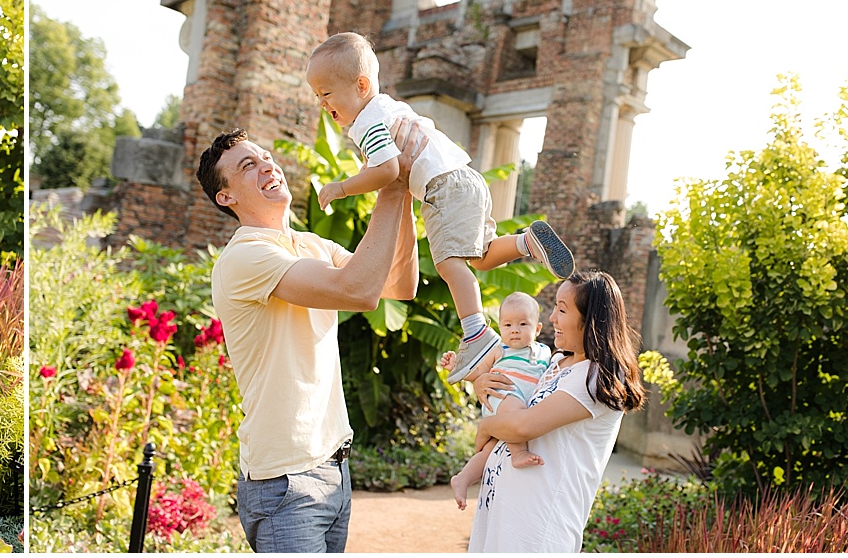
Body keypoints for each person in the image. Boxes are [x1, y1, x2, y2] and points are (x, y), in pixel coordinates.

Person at [198, 122, 426, 553]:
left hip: (334, 468)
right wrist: (390, 186)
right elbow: (355, 291)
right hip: (285, 483)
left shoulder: (309, 243)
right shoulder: (247, 254)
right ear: (225, 197)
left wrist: (405, 192)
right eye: (249, 165)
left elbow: (398, 285)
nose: (267, 166)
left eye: (266, 157)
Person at [304, 32, 575, 382]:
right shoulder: (388, 106)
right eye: (317, 97)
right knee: (481, 256)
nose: (323, 104)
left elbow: (387, 169)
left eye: (326, 94)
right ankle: (527, 243)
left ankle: (476, 331)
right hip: (467, 180)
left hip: (442, 187)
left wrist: (342, 187)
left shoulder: (368, 121)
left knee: (448, 262)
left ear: (360, 85)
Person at [464, 271, 647, 551]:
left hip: (538, 530)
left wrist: (486, 427)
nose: (551, 318)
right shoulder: (557, 363)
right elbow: (513, 393)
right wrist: (482, 382)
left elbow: (522, 426)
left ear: (591, 320)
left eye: (562, 310)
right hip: (505, 516)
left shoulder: (598, 377)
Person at [436, 291, 555, 508]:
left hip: (518, 405)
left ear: (537, 329)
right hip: (501, 397)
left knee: (490, 449)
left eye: (522, 324)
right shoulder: (500, 350)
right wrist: (456, 366)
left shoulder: (546, 352)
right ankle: (518, 453)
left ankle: (463, 478)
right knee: (515, 411)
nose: (515, 330)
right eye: (508, 325)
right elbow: (477, 372)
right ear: (500, 328)